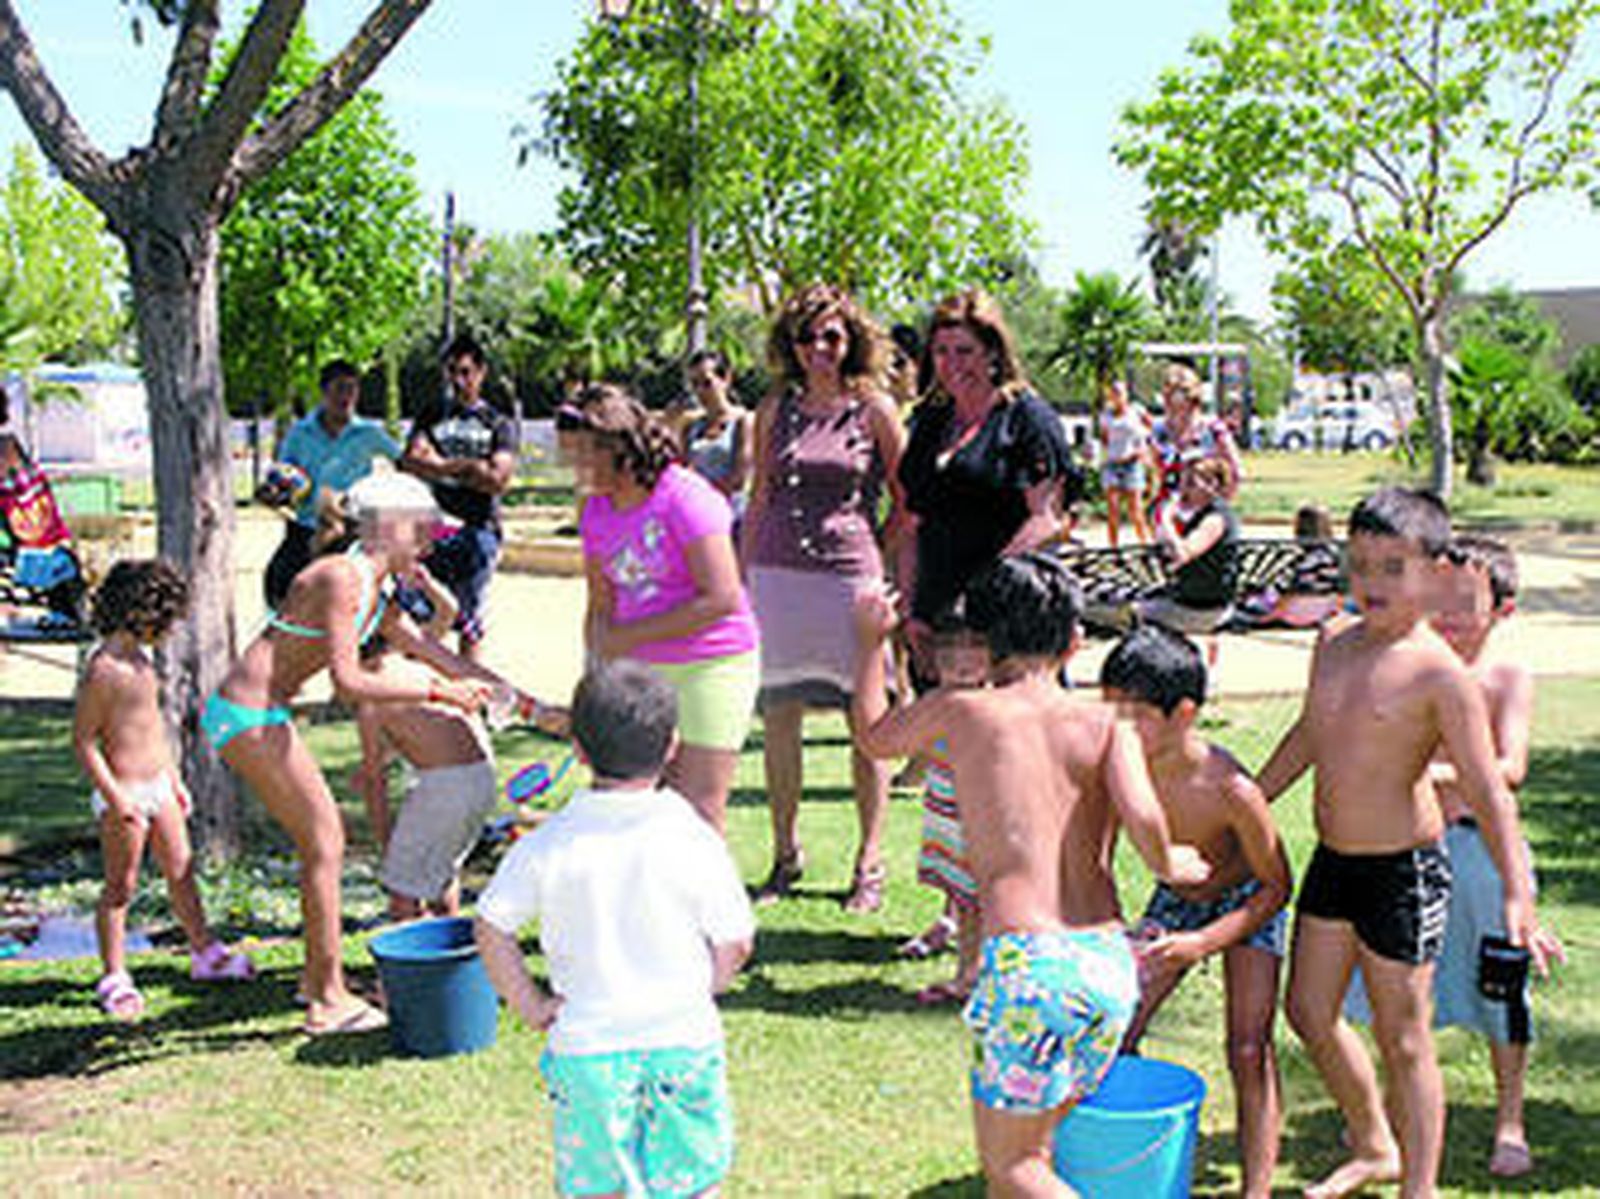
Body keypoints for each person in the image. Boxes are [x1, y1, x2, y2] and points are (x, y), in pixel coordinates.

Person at [851, 553, 1209, 1194]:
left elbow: (875, 738)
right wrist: (1169, 861)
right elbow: (1144, 817)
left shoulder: (961, 710)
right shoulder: (1108, 723)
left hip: (1030, 969)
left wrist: (868, 645)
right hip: (1107, 966)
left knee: (1016, 1168)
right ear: (1073, 640)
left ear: (984, 641)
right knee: (1031, 1151)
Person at [1256, 487, 1551, 1199]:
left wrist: (1517, 892)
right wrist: (1250, 804)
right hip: (1334, 861)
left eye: (1393, 566)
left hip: (1404, 872)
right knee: (1308, 1011)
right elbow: (1309, 734)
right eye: (1359, 564)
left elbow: (1488, 787)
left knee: (1404, 1036)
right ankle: (1373, 1143)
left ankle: (1419, 1189)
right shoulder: (1332, 641)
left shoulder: (1439, 673)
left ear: (1435, 572)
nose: (1371, 581)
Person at [201, 469, 493, 1036]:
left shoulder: (373, 589)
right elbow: (348, 682)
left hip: (260, 714)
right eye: (424, 531)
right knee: (325, 843)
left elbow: (434, 650)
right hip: (247, 715)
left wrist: (531, 706)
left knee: (324, 843)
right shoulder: (340, 577)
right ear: (389, 527)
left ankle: (318, 981)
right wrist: (437, 692)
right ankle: (326, 998)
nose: (432, 543)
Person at [474, 660, 756, 1199]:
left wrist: (529, 1003)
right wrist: (708, 985)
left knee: (598, 1186)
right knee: (691, 1182)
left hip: (588, 1052)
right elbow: (736, 940)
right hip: (683, 1042)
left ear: (579, 749)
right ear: (672, 746)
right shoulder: (693, 838)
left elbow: (491, 925)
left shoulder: (549, 843)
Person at [1344, 535, 1565, 1179]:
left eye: (1465, 602)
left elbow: (1509, 768)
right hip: (1411, 850)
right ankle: (1396, 1108)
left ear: (1503, 609)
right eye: (1438, 599)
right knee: (1395, 988)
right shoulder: (1409, 666)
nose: (1449, 615)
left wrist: (1419, 768)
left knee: (1502, 986)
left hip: (1482, 854)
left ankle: (1510, 1120)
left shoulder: (1505, 676)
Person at [1099, 625, 1291, 1199]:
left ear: (1183, 714)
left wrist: (1205, 943)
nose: (1117, 728)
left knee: (1248, 1047)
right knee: (1116, 1031)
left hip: (1247, 902)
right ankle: (1122, 1157)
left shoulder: (1230, 788)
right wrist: (1111, 928)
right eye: (1110, 710)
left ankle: (1257, 1190)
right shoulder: (1118, 768)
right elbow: (1096, 857)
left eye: (1133, 715)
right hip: (1177, 900)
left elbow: (1277, 885)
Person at [741, 283, 907, 911]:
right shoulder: (773, 410)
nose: (819, 348)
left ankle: (869, 861)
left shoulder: (875, 410)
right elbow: (760, 498)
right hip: (777, 579)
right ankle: (785, 854)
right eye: (807, 336)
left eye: (831, 336)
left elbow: (907, 501)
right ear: (791, 344)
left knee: (867, 721)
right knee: (779, 716)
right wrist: (741, 579)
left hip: (849, 580)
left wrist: (877, 556)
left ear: (851, 340)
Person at [564, 383, 760, 831]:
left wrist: (626, 638)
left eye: (584, 454)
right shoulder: (595, 511)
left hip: (712, 664)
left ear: (619, 448)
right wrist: (594, 677)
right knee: (634, 806)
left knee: (698, 810)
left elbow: (723, 597)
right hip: (640, 672)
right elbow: (600, 605)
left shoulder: (685, 496)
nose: (576, 467)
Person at [73, 560, 254, 1020]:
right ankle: (114, 976)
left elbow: (153, 728)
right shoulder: (104, 668)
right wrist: (117, 799)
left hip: (159, 786)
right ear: (141, 612)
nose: (170, 629)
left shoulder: (143, 660)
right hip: (124, 794)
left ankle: (204, 952)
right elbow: (84, 742)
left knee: (181, 872)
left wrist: (173, 778)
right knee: (121, 886)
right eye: (166, 618)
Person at [897, 290, 1081, 676]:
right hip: (939, 614)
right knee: (941, 716)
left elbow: (1047, 520)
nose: (952, 364)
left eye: (965, 351)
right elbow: (912, 524)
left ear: (993, 353)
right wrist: (912, 610)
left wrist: (985, 590)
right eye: (941, 351)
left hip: (1010, 616)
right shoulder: (929, 422)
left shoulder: (1026, 418)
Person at [350, 638, 499, 922]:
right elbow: (430, 727)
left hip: (445, 785)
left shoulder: (372, 691)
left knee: (402, 883)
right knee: (442, 870)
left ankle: (409, 945)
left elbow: (374, 781)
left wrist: (385, 839)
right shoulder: (424, 671)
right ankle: (448, 938)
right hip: (481, 776)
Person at [399, 333, 519, 659]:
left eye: (465, 371)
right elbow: (410, 462)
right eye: (452, 371)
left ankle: (469, 683)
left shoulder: (498, 423)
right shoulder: (432, 414)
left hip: (479, 529)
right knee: (418, 612)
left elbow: (497, 479)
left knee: (470, 620)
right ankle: (421, 682)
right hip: (433, 529)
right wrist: (471, 467)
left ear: (481, 372)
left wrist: (441, 465)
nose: (458, 379)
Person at [902, 599, 991, 1006]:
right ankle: (969, 972)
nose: (961, 659)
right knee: (965, 897)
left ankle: (973, 977)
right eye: (950, 647)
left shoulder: (997, 705)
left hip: (981, 821)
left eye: (974, 646)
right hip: (948, 815)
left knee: (979, 902)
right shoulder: (936, 704)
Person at [261, 359, 399, 607]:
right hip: (305, 530)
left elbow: (404, 461)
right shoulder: (299, 433)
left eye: (352, 389)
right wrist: (273, 493)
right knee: (278, 587)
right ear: (324, 391)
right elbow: (282, 477)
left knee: (361, 602)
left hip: (350, 532)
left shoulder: (369, 433)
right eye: (340, 388)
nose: (347, 397)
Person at [1139, 455, 1241, 635]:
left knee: (1117, 612)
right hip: (1190, 599)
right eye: (1182, 482)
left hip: (1202, 610)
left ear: (1213, 486)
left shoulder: (1215, 519)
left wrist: (1166, 518)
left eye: (1191, 483)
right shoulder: (1202, 515)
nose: (1183, 489)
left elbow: (1183, 554)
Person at [1149, 361, 1241, 520]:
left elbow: (1236, 470)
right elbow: (1157, 470)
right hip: (1169, 511)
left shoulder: (1213, 429)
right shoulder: (1159, 430)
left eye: (1179, 392)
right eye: (1168, 392)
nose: (1170, 400)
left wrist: (1222, 506)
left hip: (1204, 510)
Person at [680, 349, 754, 526]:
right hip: (695, 517)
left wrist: (698, 490)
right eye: (694, 384)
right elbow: (681, 470)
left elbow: (739, 478)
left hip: (730, 517)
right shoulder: (691, 426)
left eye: (707, 383)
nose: (700, 391)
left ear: (726, 379)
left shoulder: (743, 422)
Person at [1096, 379, 1152, 547]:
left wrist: (1142, 447)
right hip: (1113, 463)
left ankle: (1145, 544)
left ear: (1126, 394)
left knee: (1135, 510)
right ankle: (1113, 548)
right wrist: (1110, 453)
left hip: (1132, 463)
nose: (1116, 396)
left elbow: (1151, 428)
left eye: (1120, 392)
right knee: (1113, 510)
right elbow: (1104, 438)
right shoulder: (1106, 415)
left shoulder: (1136, 411)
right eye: (1113, 393)